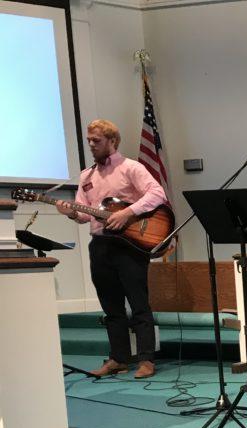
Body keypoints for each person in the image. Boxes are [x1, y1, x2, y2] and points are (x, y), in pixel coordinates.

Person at [56, 119, 168, 378]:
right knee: (111, 306)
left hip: (129, 244)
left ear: (113, 141)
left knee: (138, 303)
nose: (92, 145)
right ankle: (118, 358)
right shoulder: (87, 175)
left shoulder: (131, 168)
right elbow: (85, 214)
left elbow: (157, 194)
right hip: (100, 245)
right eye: (89, 141)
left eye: (97, 141)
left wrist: (128, 213)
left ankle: (146, 360)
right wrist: (71, 214)